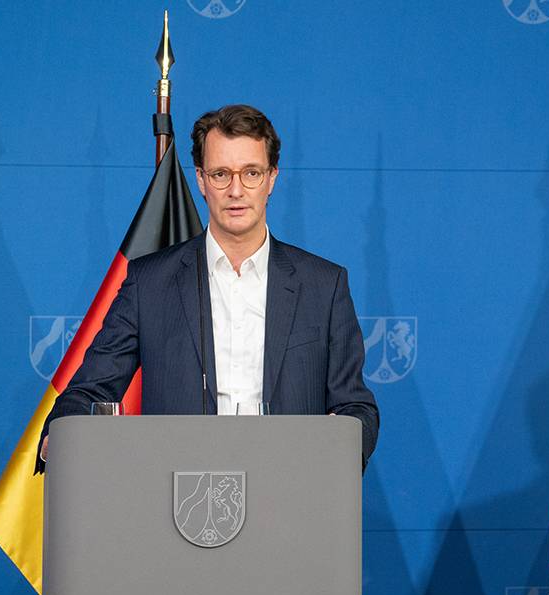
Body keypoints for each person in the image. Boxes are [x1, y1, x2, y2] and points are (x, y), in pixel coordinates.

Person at [36, 104, 378, 472]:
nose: (236, 190)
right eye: (220, 174)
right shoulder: (148, 283)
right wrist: (62, 433)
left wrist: (340, 445)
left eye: (251, 173)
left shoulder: (324, 285)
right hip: (178, 489)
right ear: (200, 180)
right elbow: (89, 389)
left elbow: (355, 406)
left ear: (272, 178)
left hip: (290, 483)